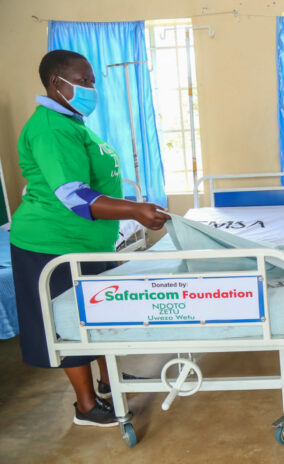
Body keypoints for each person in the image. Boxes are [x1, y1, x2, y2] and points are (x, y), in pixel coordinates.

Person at [10, 50, 170, 426]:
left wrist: (131, 208)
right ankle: (86, 407)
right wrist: (134, 210)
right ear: (57, 83)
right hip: (51, 245)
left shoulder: (74, 123)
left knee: (98, 316)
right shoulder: (51, 127)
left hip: (86, 243)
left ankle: (107, 381)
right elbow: (73, 195)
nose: (91, 88)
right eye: (83, 81)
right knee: (72, 323)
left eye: (92, 81)